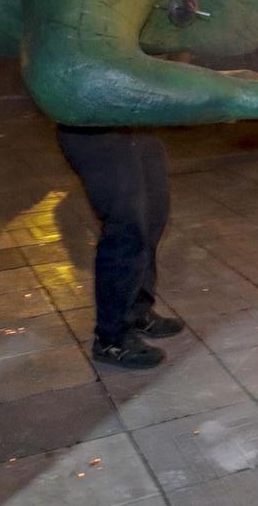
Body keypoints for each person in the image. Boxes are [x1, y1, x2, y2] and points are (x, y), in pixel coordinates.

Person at [57, 126, 184, 369]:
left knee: (153, 215)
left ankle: (137, 312)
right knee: (127, 227)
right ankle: (111, 339)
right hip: (95, 129)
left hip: (136, 126)